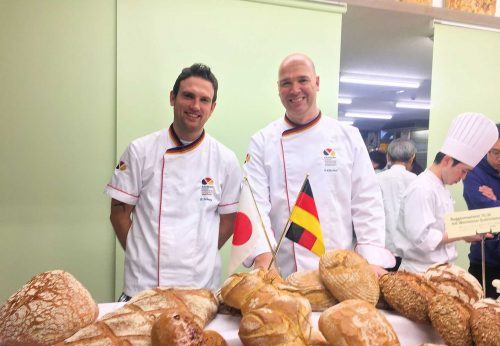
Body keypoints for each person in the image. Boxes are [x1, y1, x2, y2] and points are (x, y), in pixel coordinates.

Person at [243, 53, 395, 277]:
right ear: (278, 89)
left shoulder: (348, 137)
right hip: (282, 274)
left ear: (317, 82)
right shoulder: (262, 141)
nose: (295, 90)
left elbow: (367, 202)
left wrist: (370, 260)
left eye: (302, 80)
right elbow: (254, 206)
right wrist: (264, 261)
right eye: (286, 83)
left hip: (339, 275)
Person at [105, 63, 242, 300]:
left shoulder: (225, 160)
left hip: (199, 291)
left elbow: (229, 220)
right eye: (188, 96)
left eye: (204, 100)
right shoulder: (140, 151)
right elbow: (118, 213)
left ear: (213, 107)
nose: (195, 106)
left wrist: (201, 254)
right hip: (143, 289)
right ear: (172, 97)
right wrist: (141, 255)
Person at [395, 113, 498, 273]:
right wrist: (461, 232)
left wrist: (466, 234)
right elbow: (423, 239)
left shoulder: (440, 186)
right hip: (419, 272)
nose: (463, 177)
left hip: (438, 270)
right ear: (447, 160)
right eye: (463, 171)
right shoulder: (422, 188)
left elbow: (441, 228)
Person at [463, 123, 500, 298]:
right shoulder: (473, 173)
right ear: (486, 150)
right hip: (485, 260)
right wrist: (492, 205)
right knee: (480, 313)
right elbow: (483, 212)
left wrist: (495, 201)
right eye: (496, 152)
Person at [376, 139, 417, 271]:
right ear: (412, 158)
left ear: (388, 156)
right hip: (409, 250)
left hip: (382, 248)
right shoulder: (417, 180)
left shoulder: (377, 179)